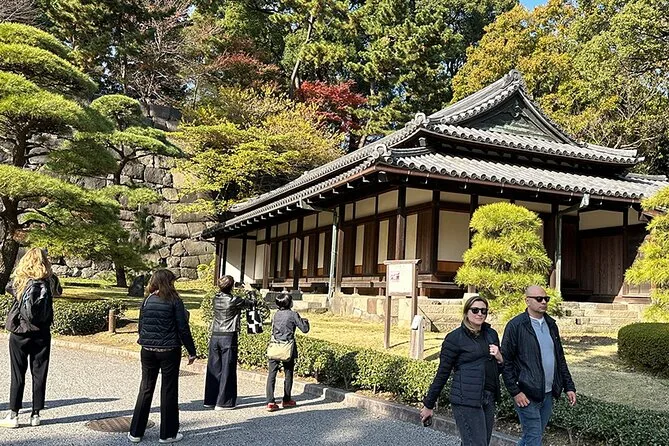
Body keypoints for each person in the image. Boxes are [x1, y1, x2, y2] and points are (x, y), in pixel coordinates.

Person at [420, 295, 504, 446]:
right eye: (475, 310)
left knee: (479, 442)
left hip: (488, 396)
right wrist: (429, 404)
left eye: (484, 311)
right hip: (466, 398)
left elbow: (497, 369)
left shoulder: (491, 334)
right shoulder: (455, 338)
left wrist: (500, 358)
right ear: (466, 312)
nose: (480, 314)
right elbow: (443, 373)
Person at [501, 285, 577, 446]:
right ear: (527, 301)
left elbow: (560, 358)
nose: (543, 302)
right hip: (526, 393)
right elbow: (506, 362)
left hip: (548, 393)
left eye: (546, 299)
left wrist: (569, 386)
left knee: (532, 437)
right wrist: (515, 392)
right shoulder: (516, 326)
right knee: (534, 437)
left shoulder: (551, 324)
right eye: (539, 299)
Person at [128, 269, 197, 444]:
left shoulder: (147, 299)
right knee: (169, 389)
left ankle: (135, 432)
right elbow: (183, 327)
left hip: (147, 349)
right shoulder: (175, 300)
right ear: (169, 282)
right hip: (169, 350)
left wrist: (145, 339)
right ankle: (168, 434)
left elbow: (141, 325)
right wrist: (191, 350)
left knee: (145, 388)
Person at [1, 248, 59, 428]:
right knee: (39, 372)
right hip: (42, 332)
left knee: (18, 373)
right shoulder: (50, 280)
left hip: (20, 330)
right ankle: (36, 414)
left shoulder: (20, 279)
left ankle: (13, 415)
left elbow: (8, 288)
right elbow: (59, 292)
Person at [203, 275, 253, 410]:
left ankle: (210, 399)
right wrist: (249, 290)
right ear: (231, 286)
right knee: (227, 369)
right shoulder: (235, 300)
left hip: (215, 334)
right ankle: (224, 402)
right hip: (228, 335)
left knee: (213, 368)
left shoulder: (215, 298)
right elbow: (250, 303)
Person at [265, 292, 310, 412]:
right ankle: (286, 399)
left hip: (275, 346)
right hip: (288, 347)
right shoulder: (293, 314)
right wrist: (305, 321)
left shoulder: (275, 314)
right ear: (289, 303)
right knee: (288, 373)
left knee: (271, 374)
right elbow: (304, 329)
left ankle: (270, 401)